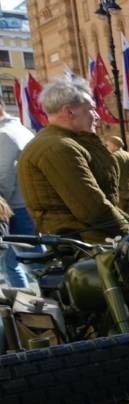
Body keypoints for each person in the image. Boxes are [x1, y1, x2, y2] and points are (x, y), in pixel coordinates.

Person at [16, 77, 129, 243]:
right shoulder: (58, 147)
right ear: (69, 112)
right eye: (90, 109)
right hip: (85, 248)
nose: (97, 115)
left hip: (91, 242)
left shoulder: (67, 142)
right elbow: (91, 208)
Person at [0, 105, 35, 286]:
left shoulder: (4, 133)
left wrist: (1, 208)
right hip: (25, 203)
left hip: (13, 207)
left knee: (11, 264)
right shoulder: (21, 129)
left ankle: (25, 305)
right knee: (34, 259)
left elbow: (3, 176)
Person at [105, 135, 129, 220]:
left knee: (120, 219)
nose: (106, 147)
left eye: (108, 145)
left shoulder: (112, 157)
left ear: (114, 145)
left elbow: (110, 176)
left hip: (119, 194)